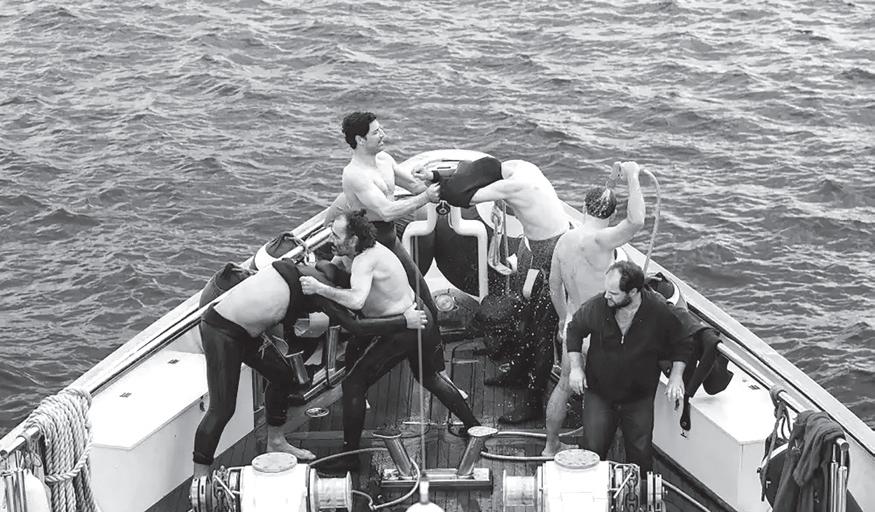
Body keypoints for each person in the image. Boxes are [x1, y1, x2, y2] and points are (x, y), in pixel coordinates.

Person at [192, 213, 430, 478]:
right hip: (221, 330)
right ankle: (199, 478)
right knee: (223, 409)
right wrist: (404, 321)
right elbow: (356, 326)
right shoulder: (318, 289)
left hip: (248, 329)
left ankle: (276, 441)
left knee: (282, 375)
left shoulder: (312, 269)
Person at [300, 210, 480, 473]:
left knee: (353, 384)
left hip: (404, 328)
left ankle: (349, 457)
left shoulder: (365, 261)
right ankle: (473, 426)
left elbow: (356, 301)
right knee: (430, 377)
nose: (331, 240)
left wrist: (319, 289)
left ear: (354, 239)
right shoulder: (372, 250)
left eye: (336, 236)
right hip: (420, 316)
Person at [418, 156, 569, 424]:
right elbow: (472, 172)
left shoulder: (513, 185)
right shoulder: (520, 167)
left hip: (552, 253)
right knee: (526, 318)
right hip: (538, 246)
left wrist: (432, 186)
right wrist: (437, 175)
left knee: (542, 333)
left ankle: (533, 402)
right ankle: (518, 372)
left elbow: (462, 197)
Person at [542, 161, 646, 456]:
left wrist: (562, 319)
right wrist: (633, 176)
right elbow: (636, 220)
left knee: (563, 386)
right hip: (604, 332)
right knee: (606, 397)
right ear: (612, 216)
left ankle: (550, 446)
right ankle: (600, 455)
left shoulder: (564, 240)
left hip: (575, 326)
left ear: (583, 208)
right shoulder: (603, 240)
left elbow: (554, 286)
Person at [565, 260, 691, 473]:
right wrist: (576, 368)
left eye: (614, 293)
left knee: (640, 454)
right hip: (599, 394)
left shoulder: (659, 310)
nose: (606, 296)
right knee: (592, 451)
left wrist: (676, 376)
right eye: (606, 290)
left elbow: (683, 341)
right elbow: (574, 330)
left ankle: (638, 491)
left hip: (639, 398)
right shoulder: (598, 307)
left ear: (633, 292)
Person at [334, 111, 441, 320]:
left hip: (389, 238)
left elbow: (415, 186)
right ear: (360, 140)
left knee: (423, 295)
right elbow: (386, 211)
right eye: (376, 132)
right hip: (367, 245)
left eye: (380, 129)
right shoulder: (354, 174)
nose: (383, 134)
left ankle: (431, 328)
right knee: (386, 307)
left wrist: (431, 179)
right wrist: (426, 197)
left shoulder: (385, 159)